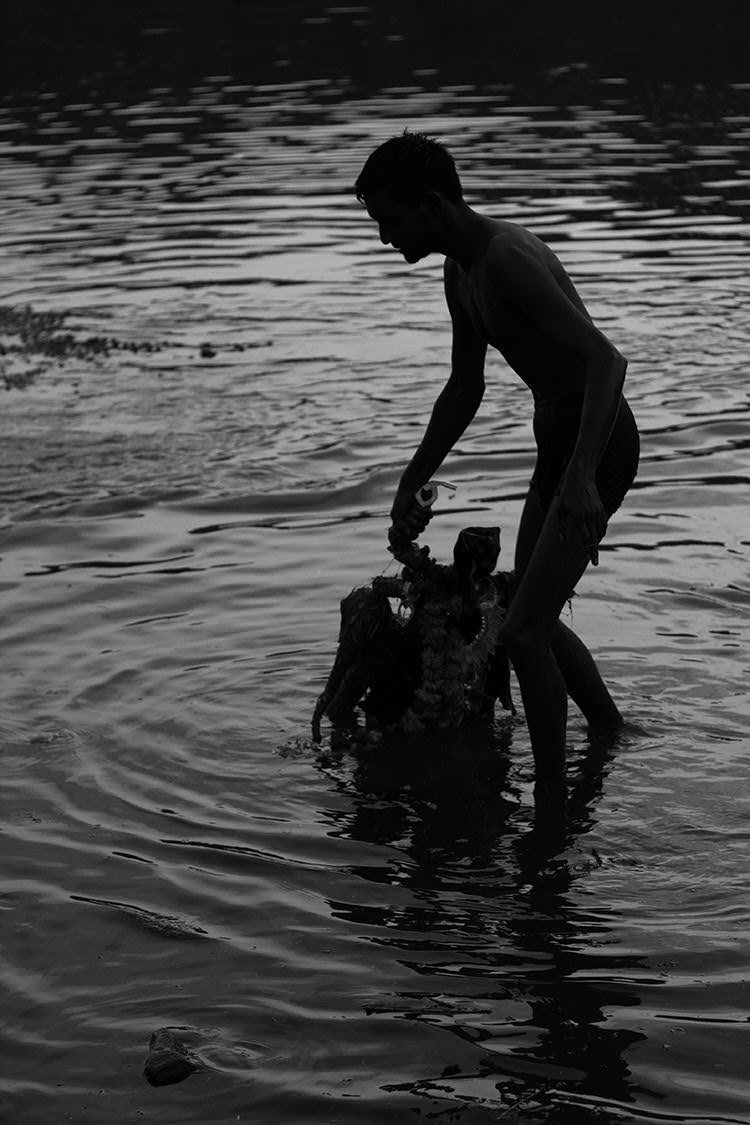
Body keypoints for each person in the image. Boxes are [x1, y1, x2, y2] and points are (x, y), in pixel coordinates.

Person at [354, 130, 640, 808]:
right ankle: (610, 733)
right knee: (522, 610)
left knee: (521, 631)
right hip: (559, 444)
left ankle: (550, 808)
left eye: (390, 219)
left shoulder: (506, 258)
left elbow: (607, 362)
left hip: (596, 445)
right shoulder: (461, 273)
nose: (385, 237)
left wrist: (579, 478)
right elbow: (464, 388)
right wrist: (410, 479)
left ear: (430, 204)